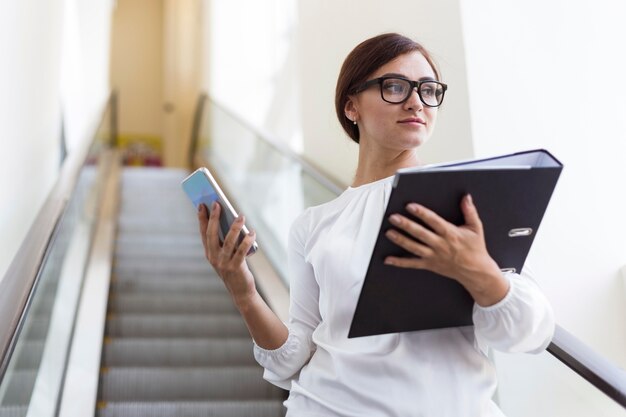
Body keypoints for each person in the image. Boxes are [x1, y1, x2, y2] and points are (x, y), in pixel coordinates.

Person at [197, 33, 555, 417]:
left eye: (429, 89)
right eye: (396, 87)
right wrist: (244, 292)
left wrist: (478, 270)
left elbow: (532, 332)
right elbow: (293, 358)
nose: (417, 101)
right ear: (352, 106)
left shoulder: (468, 199)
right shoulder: (313, 224)